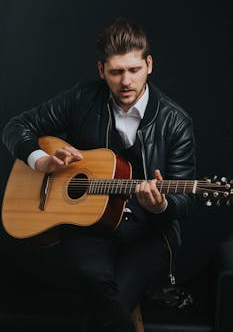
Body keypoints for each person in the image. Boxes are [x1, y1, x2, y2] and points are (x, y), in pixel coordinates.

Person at [2, 18, 196, 332]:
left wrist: (161, 205)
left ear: (149, 64)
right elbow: (15, 128)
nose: (126, 82)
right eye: (116, 72)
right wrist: (42, 162)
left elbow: (185, 201)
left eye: (134, 70)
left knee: (109, 303)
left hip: (150, 232)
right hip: (91, 222)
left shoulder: (176, 122)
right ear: (101, 70)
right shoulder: (83, 98)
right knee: (97, 282)